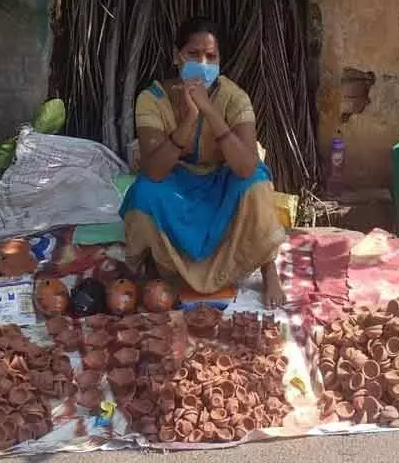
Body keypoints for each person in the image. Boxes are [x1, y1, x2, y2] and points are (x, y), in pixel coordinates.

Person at [119, 16, 287, 307]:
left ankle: (268, 269)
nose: (203, 63)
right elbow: (155, 171)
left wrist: (209, 110)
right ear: (176, 56)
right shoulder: (151, 98)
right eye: (193, 55)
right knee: (143, 192)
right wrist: (191, 117)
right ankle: (152, 267)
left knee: (256, 184)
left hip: (221, 180)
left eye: (211, 56)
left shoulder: (235, 98)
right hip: (175, 181)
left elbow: (246, 166)